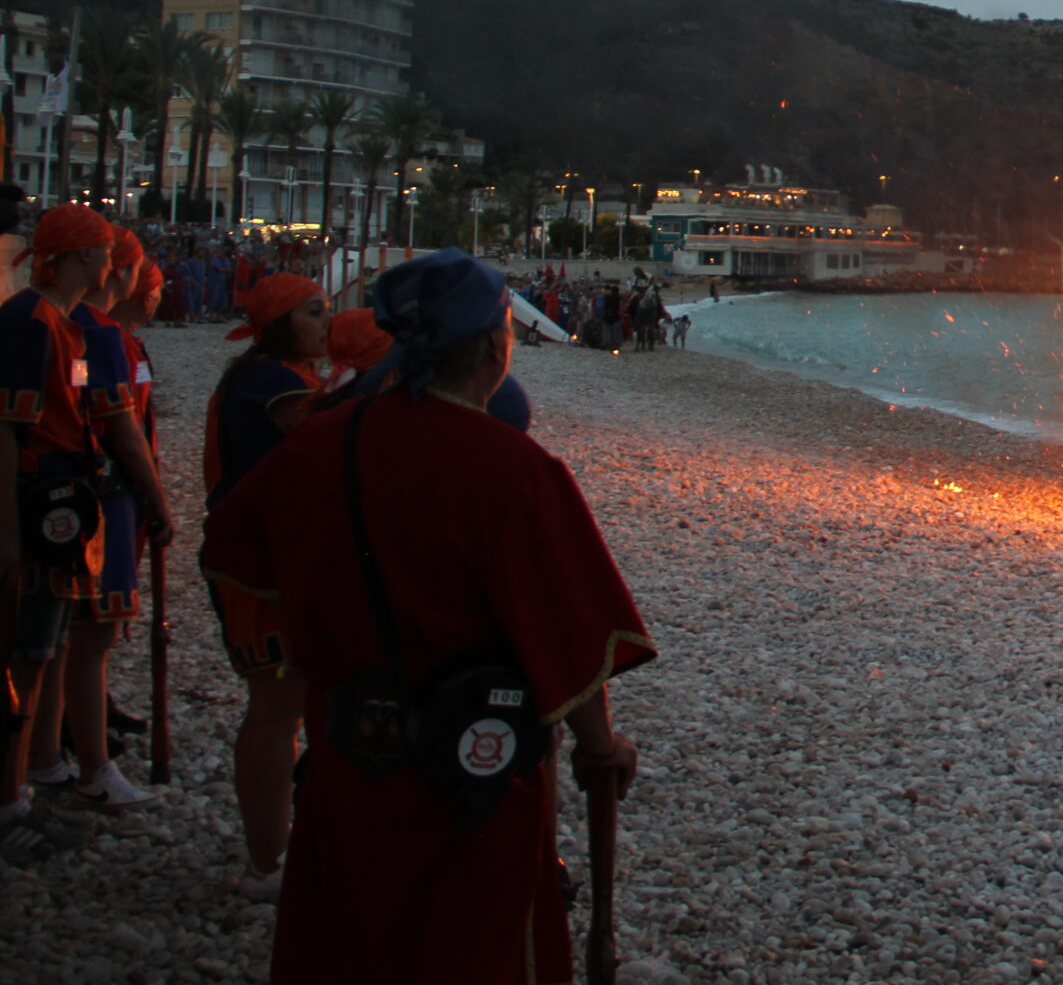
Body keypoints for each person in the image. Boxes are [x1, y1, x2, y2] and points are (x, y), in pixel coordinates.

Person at [202, 249, 653, 981]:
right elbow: (568, 640)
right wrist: (602, 747)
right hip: (471, 778)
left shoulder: (322, 441)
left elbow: (231, 547)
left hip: (346, 758)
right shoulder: (514, 471)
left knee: (347, 946)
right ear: (495, 342)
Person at [1, 205, 169, 860]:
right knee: (25, 653)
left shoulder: (65, 327)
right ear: (76, 256)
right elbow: (10, 431)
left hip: (66, 502)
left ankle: (28, 781)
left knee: (42, 649)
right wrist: (9, 532)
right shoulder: (31, 323)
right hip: (38, 506)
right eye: (102, 250)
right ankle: (10, 799)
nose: (112, 263)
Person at [202, 271, 330, 896]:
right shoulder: (270, 385)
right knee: (276, 708)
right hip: (255, 566)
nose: (327, 323)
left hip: (267, 559)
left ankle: (276, 849)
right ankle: (267, 862)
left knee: (286, 706)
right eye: (315, 312)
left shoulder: (268, 376)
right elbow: (324, 432)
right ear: (281, 325)